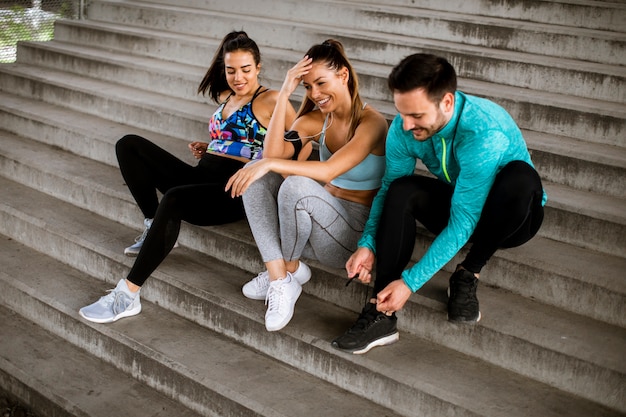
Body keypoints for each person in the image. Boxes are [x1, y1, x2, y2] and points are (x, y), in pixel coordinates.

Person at [331, 53, 547, 354]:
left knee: (521, 179)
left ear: (446, 103)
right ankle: (381, 313)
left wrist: (409, 283)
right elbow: (387, 189)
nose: (406, 125)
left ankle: (468, 273)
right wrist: (368, 243)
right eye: (402, 113)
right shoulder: (405, 126)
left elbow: (464, 221)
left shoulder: (483, 131)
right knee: (401, 189)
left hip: (511, 219)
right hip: (461, 199)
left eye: (416, 116)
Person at [79, 31, 296, 323]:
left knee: (175, 198)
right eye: (231, 70)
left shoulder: (272, 100)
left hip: (232, 190)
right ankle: (151, 224)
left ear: (258, 67)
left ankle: (127, 295)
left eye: (246, 69)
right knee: (129, 145)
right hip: (203, 174)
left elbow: (294, 150)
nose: (238, 77)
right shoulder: (226, 96)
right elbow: (235, 138)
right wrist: (212, 147)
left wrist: (256, 165)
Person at [226, 40, 388, 332]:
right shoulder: (318, 120)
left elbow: (330, 169)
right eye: (308, 86)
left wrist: (269, 163)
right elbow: (274, 156)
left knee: (296, 186)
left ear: (343, 76)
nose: (315, 93)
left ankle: (286, 270)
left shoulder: (371, 122)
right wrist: (285, 92)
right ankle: (281, 276)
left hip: (346, 237)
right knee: (255, 173)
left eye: (321, 83)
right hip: (311, 226)